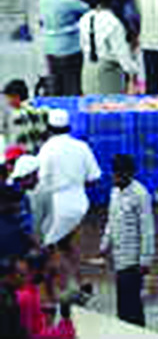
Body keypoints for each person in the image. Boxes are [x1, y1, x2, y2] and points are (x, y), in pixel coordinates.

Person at [37, 109, 100, 257]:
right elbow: (94, 177)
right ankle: (77, 277)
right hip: (80, 203)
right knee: (69, 247)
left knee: (51, 247)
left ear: (49, 129)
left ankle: (63, 276)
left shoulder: (47, 149)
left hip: (56, 205)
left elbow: (41, 180)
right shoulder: (82, 147)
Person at [100, 153, 153, 328]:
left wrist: (145, 260)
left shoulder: (141, 194)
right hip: (119, 259)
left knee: (133, 305)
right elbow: (111, 219)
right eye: (113, 173)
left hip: (133, 261)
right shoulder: (114, 192)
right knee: (122, 303)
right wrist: (104, 244)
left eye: (118, 174)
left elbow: (147, 230)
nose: (114, 177)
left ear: (129, 174)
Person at [78, 0, 139, 95]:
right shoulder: (113, 23)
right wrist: (132, 71)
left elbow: (82, 44)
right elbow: (121, 52)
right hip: (109, 71)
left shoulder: (85, 18)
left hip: (88, 68)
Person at [39, 0, 88, 96]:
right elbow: (88, 10)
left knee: (56, 83)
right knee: (73, 84)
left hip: (50, 49)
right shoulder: (69, 1)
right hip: (70, 49)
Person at [2, 82, 47, 155]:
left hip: (21, 155)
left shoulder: (17, 116)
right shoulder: (37, 111)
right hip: (37, 154)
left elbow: (14, 141)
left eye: (9, 97)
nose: (7, 100)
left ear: (16, 97)